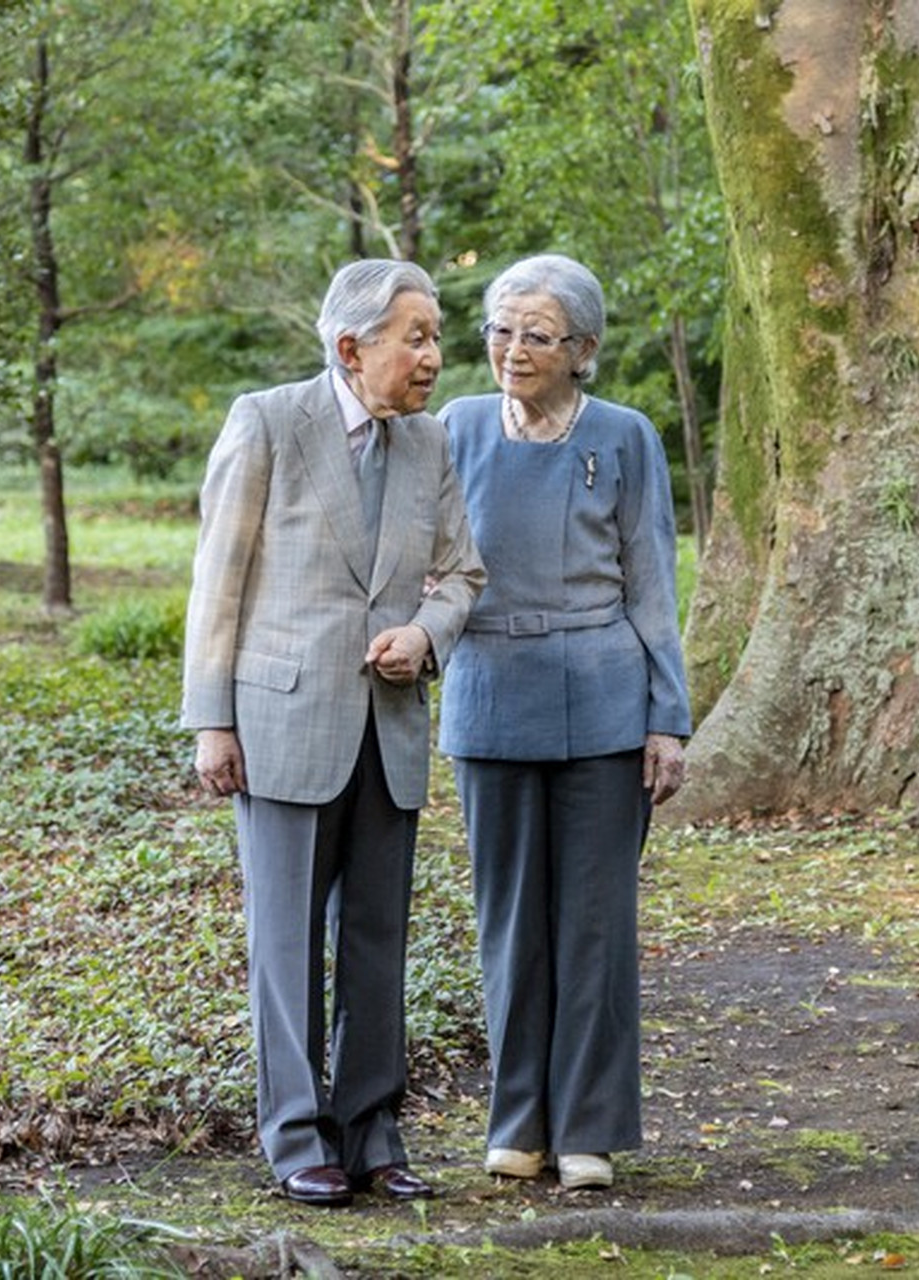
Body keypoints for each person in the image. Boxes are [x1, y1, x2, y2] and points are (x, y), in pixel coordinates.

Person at [180, 259, 485, 1208]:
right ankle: (295, 1136)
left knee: (376, 942)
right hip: (277, 724)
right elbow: (216, 578)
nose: (433, 355)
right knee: (284, 946)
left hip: (387, 732)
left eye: (435, 335)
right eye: (416, 337)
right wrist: (211, 720)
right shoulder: (268, 421)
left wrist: (424, 634)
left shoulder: (429, 443)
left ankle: (373, 1132)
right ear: (352, 348)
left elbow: (462, 574)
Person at [438, 253, 690, 1192]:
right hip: (487, 694)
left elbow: (653, 583)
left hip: (603, 699)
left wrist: (668, 718)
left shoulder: (624, 437)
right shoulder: (455, 427)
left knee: (593, 923)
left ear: (581, 349)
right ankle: (518, 1123)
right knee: (509, 923)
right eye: (500, 331)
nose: (511, 350)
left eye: (535, 335)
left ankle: (587, 1128)